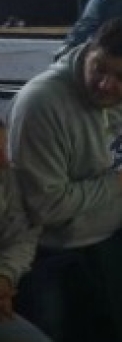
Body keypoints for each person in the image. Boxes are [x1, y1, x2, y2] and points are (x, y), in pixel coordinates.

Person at [9, 18, 122, 342]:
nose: (105, 84)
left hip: (119, 236)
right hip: (59, 251)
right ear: (87, 51)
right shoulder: (42, 103)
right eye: (98, 69)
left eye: (121, 76)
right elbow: (46, 208)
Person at [0, 122, 52, 342]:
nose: (5, 161)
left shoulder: (7, 177)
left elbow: (22, 235)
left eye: (4, 147)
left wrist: (5, 277)